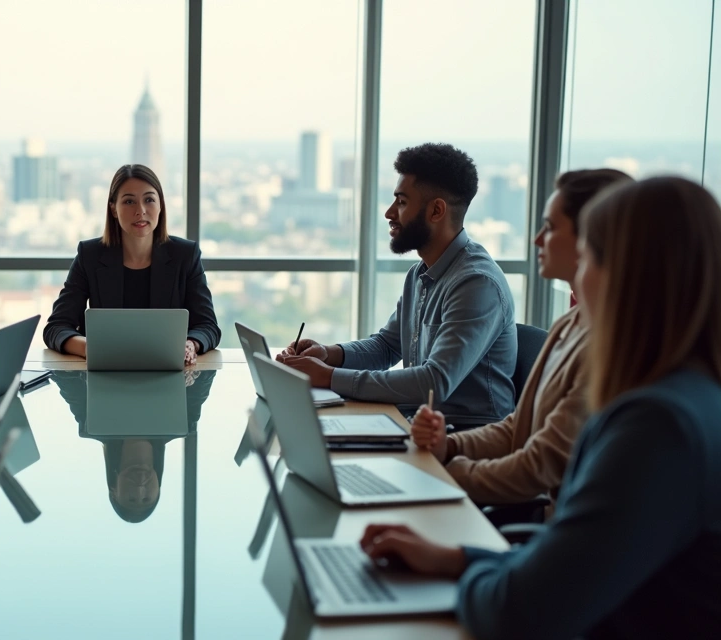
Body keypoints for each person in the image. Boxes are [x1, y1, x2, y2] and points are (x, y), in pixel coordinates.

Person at [359, 176, 721, 639]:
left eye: (588, 256)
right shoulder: (685, 397)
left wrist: (457, 574)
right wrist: (457, 559)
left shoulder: (657, 427)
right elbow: (578, 563)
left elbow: (523, 608)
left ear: (626, 273)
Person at [409, 169, 631, 507]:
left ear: (594, 237)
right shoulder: (570, 322)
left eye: (552, 227)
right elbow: (519, 427)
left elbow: (538, 466)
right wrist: (450, 446)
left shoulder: (608, 346)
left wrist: (444, 475)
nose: (537, 239)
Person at [279, 143, 516, 428]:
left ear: (436, 211)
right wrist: (330, 354)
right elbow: (387, 347)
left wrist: (328, 377)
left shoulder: (477, 284)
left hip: (464, 442)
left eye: (402, 202)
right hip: (413, 425)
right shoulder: (420, 274)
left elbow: (434, 382)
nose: (390, 213)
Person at [43, 164, 220, 365]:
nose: (141, 211)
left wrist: (190, 344)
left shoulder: (185, 255)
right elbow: (56, 327)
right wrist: (88, 348)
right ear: (114, 209)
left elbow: (208, 326)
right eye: (129, 201)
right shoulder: (90, 255)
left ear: (160, 205)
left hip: (169, 372)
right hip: (106, 373)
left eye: (149, 200)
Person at [53, 368, 216, 522]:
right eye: (146, 498)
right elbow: (207, 372)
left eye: (131, 499)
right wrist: (193, 346)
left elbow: (63, 375)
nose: (139, 488)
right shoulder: (183, 425)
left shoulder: (91, 427)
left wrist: (87, 354)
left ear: (114, 489)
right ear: (158, 490)